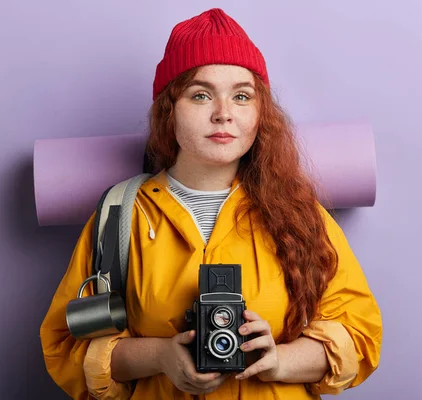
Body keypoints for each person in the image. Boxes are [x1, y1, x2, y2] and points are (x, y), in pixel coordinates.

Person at [40, 7, 382, 400]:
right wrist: (160, 356)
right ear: (169, 111)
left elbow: (359, 334)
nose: (223, 114)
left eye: (241, 96)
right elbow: (67, 346)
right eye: (201, 95)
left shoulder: (299, 214)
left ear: (259, 112)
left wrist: (278, 361)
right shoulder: (121, 215)